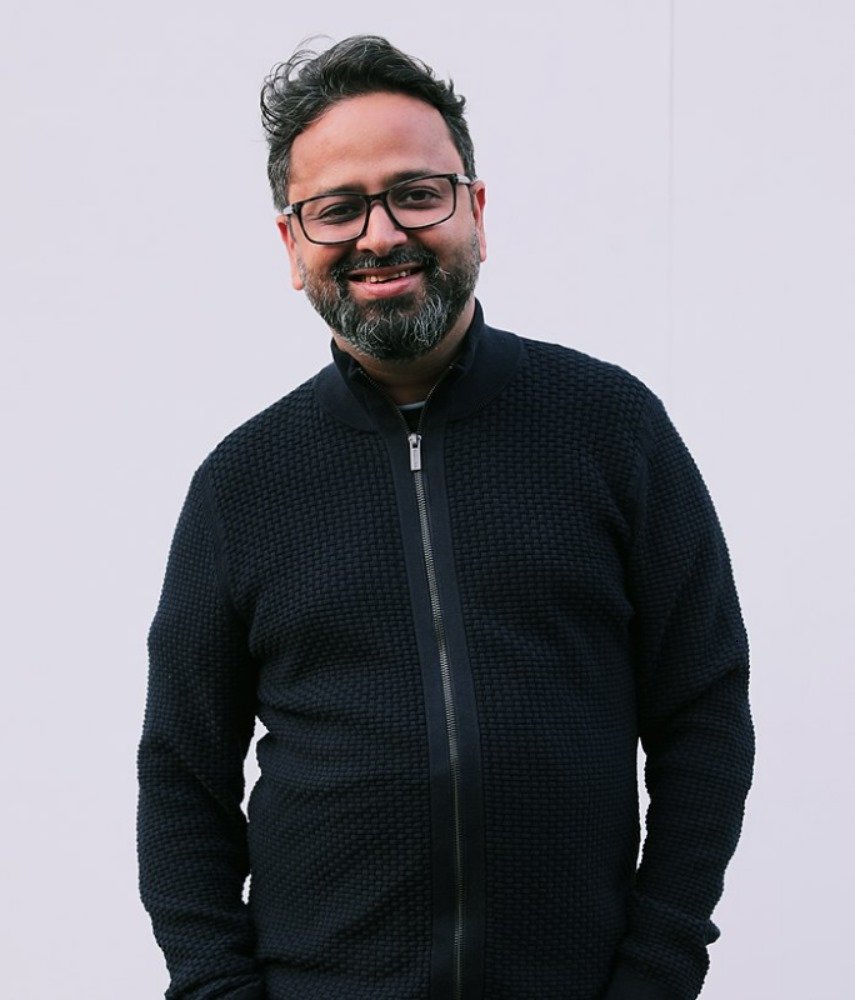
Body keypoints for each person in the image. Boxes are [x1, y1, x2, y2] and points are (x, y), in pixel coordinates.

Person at [137, 35, 754, 1000]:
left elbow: (704, 712)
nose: (380, 233)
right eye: (336, 208)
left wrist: (658, 970)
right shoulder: (242, 485)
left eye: (416, 193)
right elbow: (182, 775)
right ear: (292, 246)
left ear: (476, 210)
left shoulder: (611, 428)